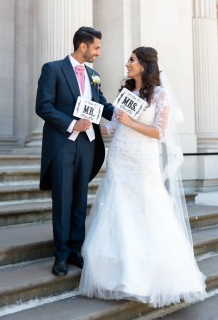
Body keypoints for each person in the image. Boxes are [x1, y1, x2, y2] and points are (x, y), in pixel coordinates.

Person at [78, 47, 207, 307]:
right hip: (119, 158)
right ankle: (113, 273)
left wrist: (131, 122)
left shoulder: (161, 96)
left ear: (145, 64)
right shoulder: (125, 93)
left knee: (146, 210)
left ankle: (145, 276)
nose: (127, 64)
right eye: (128, 59)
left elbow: (160, 132)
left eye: (132, 60)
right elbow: (113, 127)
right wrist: (87, 120)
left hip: (141, 161)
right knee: (117, 211)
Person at [35, 26, 115, 276]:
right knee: (63, 198)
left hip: (88, 144)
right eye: (97, 47)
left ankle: (74, 250)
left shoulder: (94, 75)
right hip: (63, 143)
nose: (99, 53)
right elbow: (43, 106)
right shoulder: (53, 69)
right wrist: (72, 123)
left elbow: (102, 105)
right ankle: (60, 255)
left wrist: (126, 110)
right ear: (83, 46)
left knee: (80, 198)